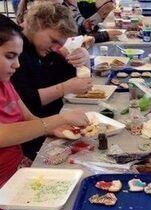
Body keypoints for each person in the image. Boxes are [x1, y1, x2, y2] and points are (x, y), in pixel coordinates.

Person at [0, 14, 101, 210]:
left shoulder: (6, 82)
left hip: (14, 169)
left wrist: (51, 131)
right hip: (4, 181)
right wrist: (53, 122)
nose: (17, 65)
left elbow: (27, 116)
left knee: (75, 186)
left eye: (18, 57)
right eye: (10, 56)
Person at [11, 1, 93, 160]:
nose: (56, 48)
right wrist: (64, 88)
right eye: (54, 40)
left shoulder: (44, 51)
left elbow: (76, 77)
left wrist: (84, 58)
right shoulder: (16, 54)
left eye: (60, 44)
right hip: (32, 139)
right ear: (40, 24)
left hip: (53, 128)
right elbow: (25, 100)